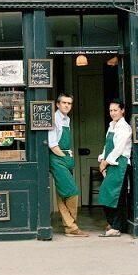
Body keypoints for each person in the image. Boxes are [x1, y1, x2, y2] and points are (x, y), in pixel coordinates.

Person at [48, 94, 89, 237]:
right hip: (58, 157)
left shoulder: (67, 119)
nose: (67, 105)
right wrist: (64, 157)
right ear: (57, 104)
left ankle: (70, 227)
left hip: (65, 157)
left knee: (62, 193)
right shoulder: (54, 119)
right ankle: (72, 225)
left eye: (69, 103)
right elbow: (53, 144)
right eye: (64, 103)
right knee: (72, 191)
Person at [98, 99, 132, 237]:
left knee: (114, 195)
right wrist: (102, 158)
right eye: (111, 110)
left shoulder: (125, 128)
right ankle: (114, 223)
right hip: (110, 162)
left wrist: (105, 162)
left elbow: (118, 149)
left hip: (119, 163)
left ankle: (116, 227)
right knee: (107, 194)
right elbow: (107, 146)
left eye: (115, 110)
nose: (112, 113)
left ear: (122, 110)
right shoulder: (112, 125)